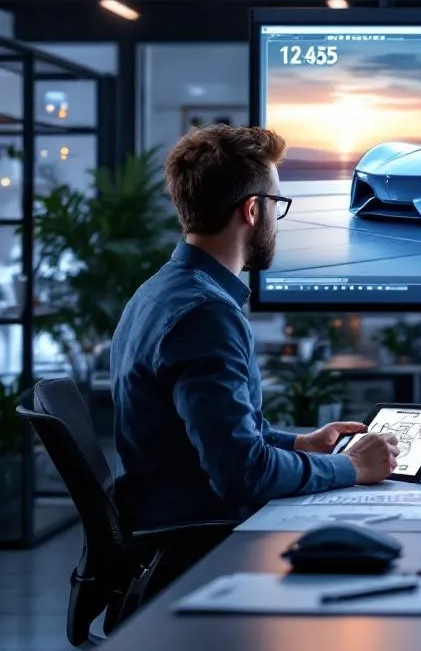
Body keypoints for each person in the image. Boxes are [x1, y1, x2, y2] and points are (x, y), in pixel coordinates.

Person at [110, 124, 399, 534]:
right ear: (251, 210)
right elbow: (242, 472)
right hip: (205, 542)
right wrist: (350, 465)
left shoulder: (157, 292)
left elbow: (221, 433)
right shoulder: (206, 314)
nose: (277, 221)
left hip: (168, 521)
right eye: (277, 203)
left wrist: (302, 445)